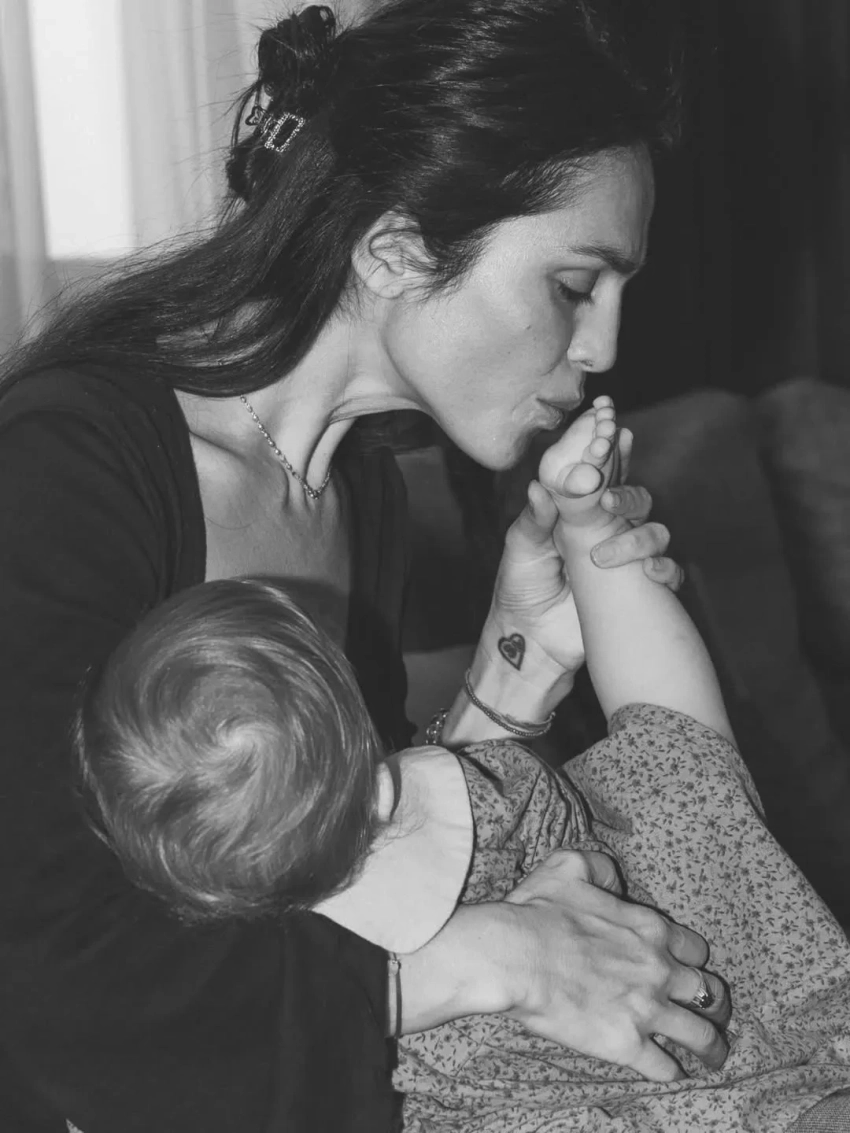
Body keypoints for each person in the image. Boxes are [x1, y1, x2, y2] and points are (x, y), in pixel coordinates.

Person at [0, 2, 733, 1129]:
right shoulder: (67, 468)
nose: (601, 351)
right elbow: (45, 969)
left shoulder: (357, 489)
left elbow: (349, 865)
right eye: (573, 285)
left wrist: (516, 659)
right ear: (396, 250)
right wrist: (503, 960)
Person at [73, 399, 850, 1132]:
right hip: (761, 1048)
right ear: (365, 752)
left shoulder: (299, 1024)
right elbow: (671, 733)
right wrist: (590, 540)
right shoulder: (481, 809)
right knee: (675, 762)